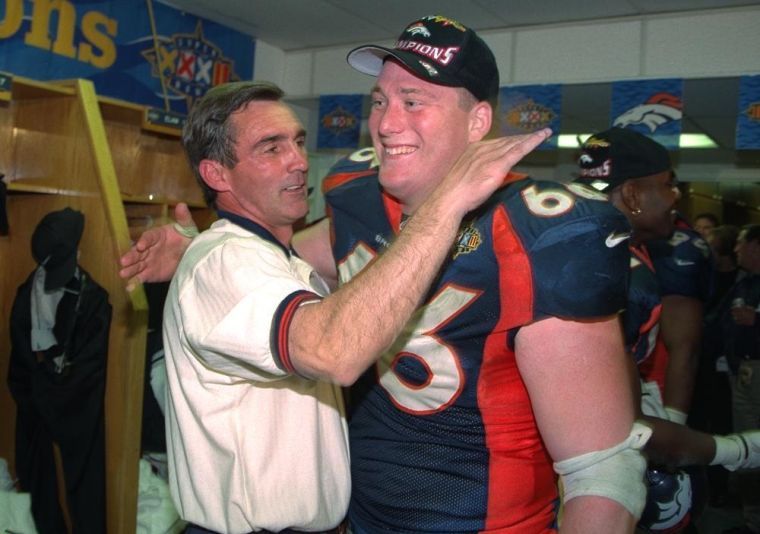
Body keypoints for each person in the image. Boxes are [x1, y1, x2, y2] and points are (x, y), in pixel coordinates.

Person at [122, 15, 652, 533]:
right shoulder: (359, 203)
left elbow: (601, 468)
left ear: (477, 123)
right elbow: (271, 257)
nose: (386, 122)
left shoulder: (539, 234)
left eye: (414, 102)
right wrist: (197, 247)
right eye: (380, 101)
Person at [158, 79, 550, 534]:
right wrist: (449, 202)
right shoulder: (227, 260)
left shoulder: (273, 259)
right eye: (271, 148)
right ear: (217, 175)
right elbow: (335, 351)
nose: (299, 162)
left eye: (298, 142)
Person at [573, 129, 760, 532]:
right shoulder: (615, 270)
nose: (676, 196)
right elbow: (626, 426)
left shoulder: (593, 245)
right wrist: (738, 449)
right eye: (668, 184)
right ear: (635, 196)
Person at [715, 224, 760, 534]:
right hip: (741, 372)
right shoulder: (745, 283)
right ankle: (753, 520)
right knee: (747, 443)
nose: (735, 250)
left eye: (741, 244)